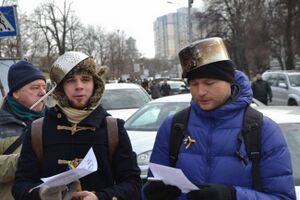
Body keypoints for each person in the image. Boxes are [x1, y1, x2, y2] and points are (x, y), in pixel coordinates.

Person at [143, 37, 296, 199]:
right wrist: (151, 193)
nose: (200, 91)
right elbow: (151, 185)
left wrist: (232, 196)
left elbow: (283, 197)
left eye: (209, 83)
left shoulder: (263, 130)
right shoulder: (173, 127)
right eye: (194, 84)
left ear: (229, 82)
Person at [12, 51, 142, 200]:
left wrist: (101, 197)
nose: (79, 86)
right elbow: (20, 185)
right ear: (60, 88)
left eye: (85, 79)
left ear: (95, 83)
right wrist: (40, 194)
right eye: (71, 80)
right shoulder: (38, 130)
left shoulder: (113, 129)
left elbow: (133, 184)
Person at [0, 60, 46, 200]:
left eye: (44, 87)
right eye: (34, 88)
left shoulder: (55, 118)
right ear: (16, 93)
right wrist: (25, 160)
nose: (42, 92)